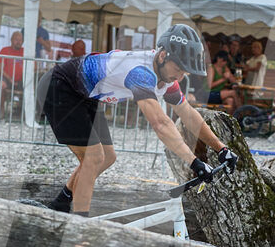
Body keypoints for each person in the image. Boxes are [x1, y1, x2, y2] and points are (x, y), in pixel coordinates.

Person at [40, 24, 238, 216]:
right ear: (163, 56)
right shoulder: (140, 73)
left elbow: (188, 114)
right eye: (178, 68)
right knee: (93, 158)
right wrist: (194, 162)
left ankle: (61, 204)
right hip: (60, 87)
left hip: (86, 95)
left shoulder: (166, 77)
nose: (179, 76)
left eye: (184, 72)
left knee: (108, 157)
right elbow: (160, 124)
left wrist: (222, 149)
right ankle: (78, 228)